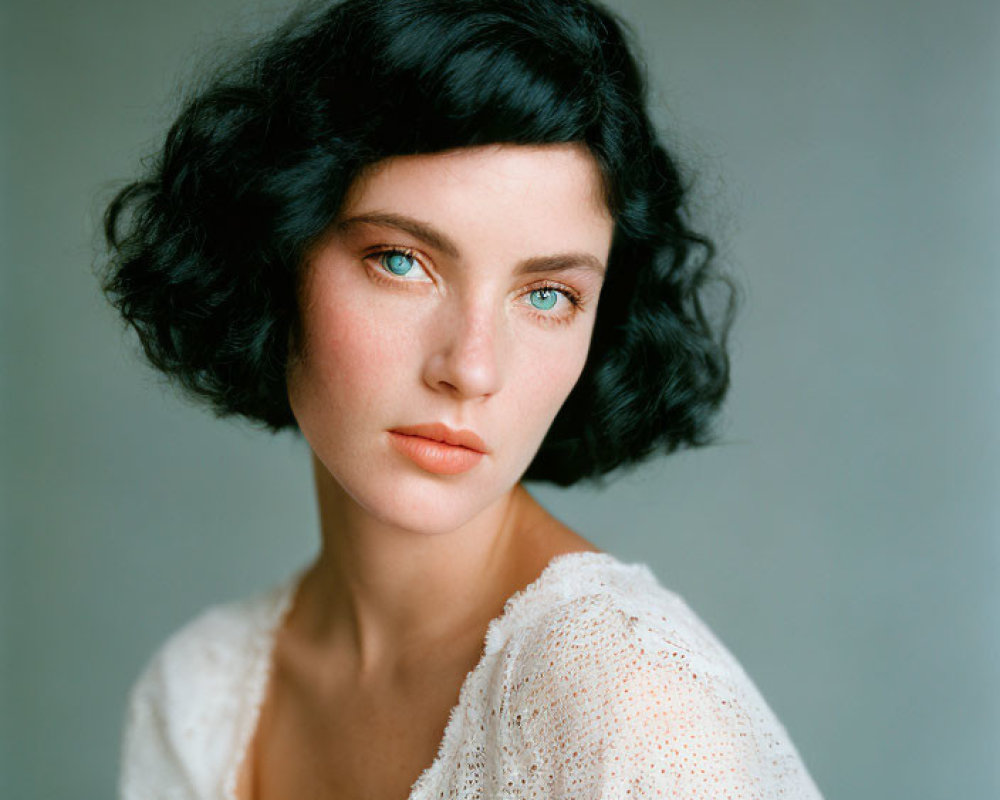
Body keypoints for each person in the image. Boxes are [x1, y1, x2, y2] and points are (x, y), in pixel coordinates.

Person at [100, 0, 825, 797]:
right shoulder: (196, 696)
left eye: (547, 295)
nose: (471, 368)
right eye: (403, 261)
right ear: (275, 254)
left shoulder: (630, 705)